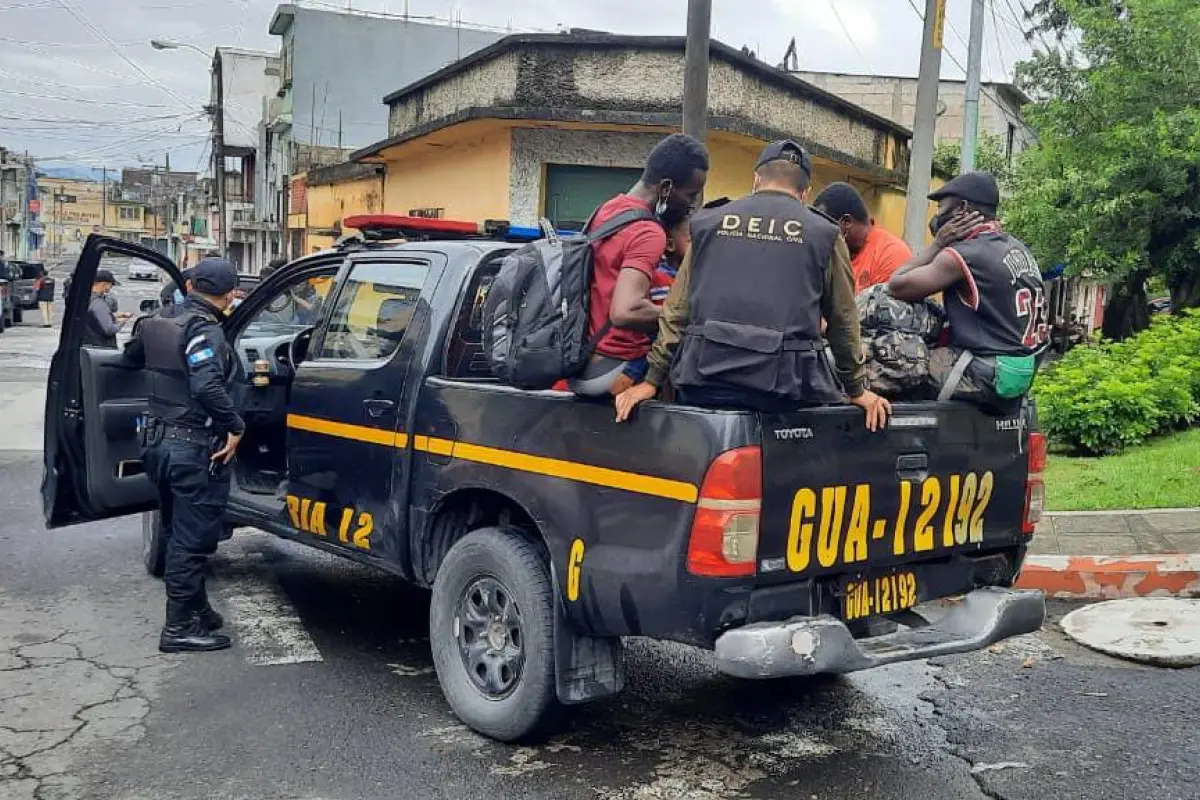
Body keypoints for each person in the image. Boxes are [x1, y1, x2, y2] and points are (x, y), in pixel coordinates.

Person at [615, 140, 891, 430]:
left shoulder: (710, 221)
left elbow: (678, 309)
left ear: (756, 179)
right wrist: (857, 389)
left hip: (704, 382)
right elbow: (843, 321)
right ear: (805, 192)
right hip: (785, 395)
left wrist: (651, 381)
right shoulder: (824, 234)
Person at [123, 257, 245, 653]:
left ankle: (199, 611)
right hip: (190, 448)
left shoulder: (158, 320)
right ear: (228, 295)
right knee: (192, 542)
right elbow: (207, 385)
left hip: (155, 442)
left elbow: (129, 358)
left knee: (177, 529)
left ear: (191, 286)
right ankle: (178, 629)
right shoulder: (204, 330)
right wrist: (235, 425)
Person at [887, 171, 1049, 410]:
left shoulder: (963, 255)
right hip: (1021, 372)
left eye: (941, 207)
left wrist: (937, 244)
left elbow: (896, 285)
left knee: (888, 354)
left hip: (983, 375)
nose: (937, 216)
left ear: (961, 209)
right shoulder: (1018, 248)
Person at [569, 133, 709, 397]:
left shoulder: (608, 210)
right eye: (691, 194)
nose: (691, 204)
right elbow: (625, 311)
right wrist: (690, 318)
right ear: (666, 188)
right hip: (617, 366)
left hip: (582, 363)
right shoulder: (648, 231)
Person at [620, 216, 690, 385]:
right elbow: (664, 320)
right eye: (691, 241)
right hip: (651, 346)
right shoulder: (662, 277)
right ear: (670, 245)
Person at [813, 182, 912, 292]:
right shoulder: (833, 254)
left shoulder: (890, 253)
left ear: (846, 222)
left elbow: (885, 307)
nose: (822, 236)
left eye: (825, 228)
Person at [81, 269, 130, 348]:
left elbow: (94, 318)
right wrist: (123, 321)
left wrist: (114, 316)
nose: (110, 289)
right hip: (101, 347)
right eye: (110, 285)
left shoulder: (84, 299)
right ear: (103, 284)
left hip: (87, 346)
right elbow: (109, 330)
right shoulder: (98, 303)